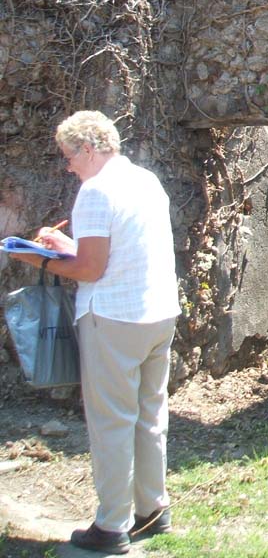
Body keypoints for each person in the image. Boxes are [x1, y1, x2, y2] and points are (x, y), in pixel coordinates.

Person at [12, 110, 180, 555]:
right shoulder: (145, 181)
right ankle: (153, 508)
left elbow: (90, 269)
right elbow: (116, 251)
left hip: (114, 319)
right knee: (149, 415)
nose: (68, 165)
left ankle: (110, 527)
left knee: (110, 424)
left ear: (88, 148)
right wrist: (65, 247)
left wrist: (31, 257)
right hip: (159, 314)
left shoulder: (95, 191)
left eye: (70, 156)